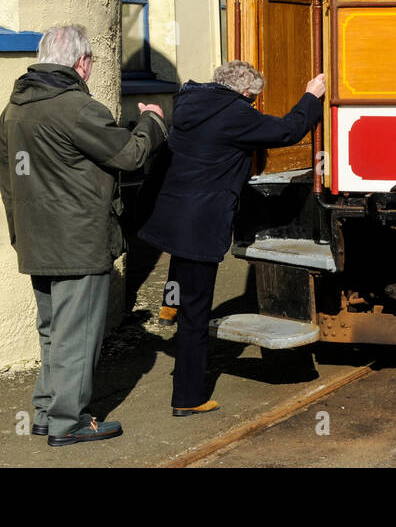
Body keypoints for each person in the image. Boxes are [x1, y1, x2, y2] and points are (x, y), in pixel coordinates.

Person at [0, 24, 167, 446]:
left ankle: (46, 411)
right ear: (82, 62)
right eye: (91, 61)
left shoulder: (15, 109)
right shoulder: (78, 108)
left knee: (53, 329)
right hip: (79, 240)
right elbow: (130, 155)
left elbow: (7, 177)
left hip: (38, 239)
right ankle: (69, 421)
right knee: (79, 335)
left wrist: (19, 232)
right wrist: (152, 121)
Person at [137, 60, 325, 416]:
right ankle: (188, 398)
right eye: (252, 99)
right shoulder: (235, 114)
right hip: (201, 223)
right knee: (197, 316)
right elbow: (288, 131)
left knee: (181, 268)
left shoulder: (190, 102)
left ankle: (169, 303)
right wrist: (311, 97)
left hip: (174, 215)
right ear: (242, 91)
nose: (253, 105)